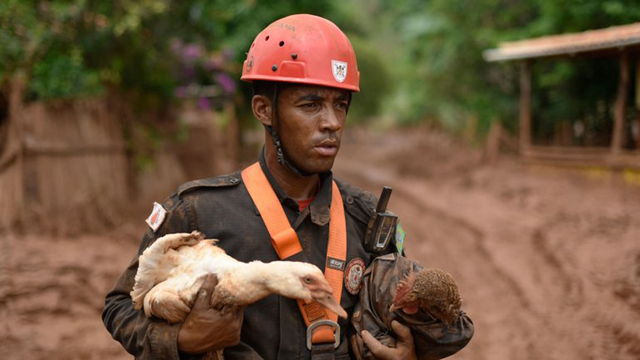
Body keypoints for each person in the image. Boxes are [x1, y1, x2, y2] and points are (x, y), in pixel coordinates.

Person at [102, 14, 473, 360]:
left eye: (340, 105)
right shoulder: (198, 212)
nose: (332, 123)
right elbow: (119, 307)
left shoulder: (367, 220)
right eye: (310, 104)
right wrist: (182, 340)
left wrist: (410, 352)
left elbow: (425, 320)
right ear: (264, 110)